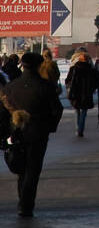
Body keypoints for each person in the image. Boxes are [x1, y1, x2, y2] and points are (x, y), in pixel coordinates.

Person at [0, 50, 63, 216]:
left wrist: (8, 130)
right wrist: (50, 126)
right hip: (38, 132)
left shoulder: (11, 87)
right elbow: (57, 109)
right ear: (38, 65)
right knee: (33, 169)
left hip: (16, 132)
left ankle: (23, 200)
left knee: (21, 168)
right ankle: (26, 204)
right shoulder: (45, 86)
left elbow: (3, 111)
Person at [66, 49, 99, 137]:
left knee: (76, 110)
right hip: (87, 93)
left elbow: (67, 80)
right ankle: (81, 128)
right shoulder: (92, 70)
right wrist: (92, 89)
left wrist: (69, 87)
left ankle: (78, 127)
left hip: (76, 92)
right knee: (84, 111)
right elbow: (97, 81)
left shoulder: (74, 69)